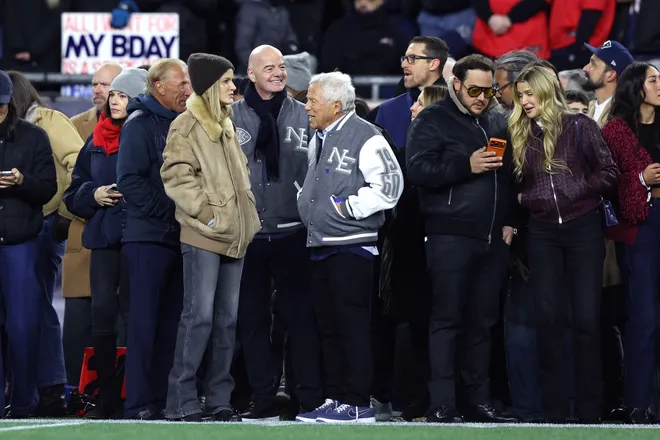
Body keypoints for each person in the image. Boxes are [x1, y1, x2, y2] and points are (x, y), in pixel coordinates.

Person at [406, 54, 517, 424]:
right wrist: (464, 166)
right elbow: (418, 170)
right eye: (474, 89)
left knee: (482, 323)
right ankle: (442, 403)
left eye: (489, 90)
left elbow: (508, 178)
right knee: (447, 321)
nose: (483, 97)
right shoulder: (433, 119)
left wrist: (510, 221)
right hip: (449, 235)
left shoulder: (498, 119)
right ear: (456, 84)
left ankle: (478, 401)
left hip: (491, 239)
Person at [509, 65, 618, 423]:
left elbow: (609, 173)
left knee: (586, 320)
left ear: (546, 91)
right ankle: (555, 411)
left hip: (582, 228)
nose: (524, 101)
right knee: (549, 321)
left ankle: (589, 412)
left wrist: (577, 190)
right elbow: (517, 187)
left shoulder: (579, 126)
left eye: (530, 93)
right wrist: (527, 201)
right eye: (520, 94)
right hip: (542, 232)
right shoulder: (519, 132)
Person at [295, 71, 403, 424]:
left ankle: (358, 402)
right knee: (329, 326)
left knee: (351, 326)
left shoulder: (368, 136)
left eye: (312, 100)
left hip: (352, 245)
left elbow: (391, 185)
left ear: (336, 104)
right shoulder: (319, 136)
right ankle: (336, 397)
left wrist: (347, 208)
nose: (306, 106)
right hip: (321, 243)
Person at [162, 53, 260, 422]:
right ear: (208, 87)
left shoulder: (227, 124)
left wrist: (241, 218)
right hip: (204, 235)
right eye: (226, 81)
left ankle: (218, 399)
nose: (234, 87)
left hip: (235, 236)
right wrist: (209, 215)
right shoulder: (186, 126)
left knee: (226, 321)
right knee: (198, 317)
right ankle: (182, 401)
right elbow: (175, 176)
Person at [231, 45, 322, 421]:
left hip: (294, 232)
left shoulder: (306, 117)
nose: (278, 73)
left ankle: (307, 399)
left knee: (301, 320)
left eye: (282, 67)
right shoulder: (228, 118)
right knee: (251, 322)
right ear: (250, 74)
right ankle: (261, 398)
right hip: (249, 233)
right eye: (269, 68)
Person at [64, 67, 147, 419]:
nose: (114, 100)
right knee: (101, 318)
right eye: (112, 94)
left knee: (135, 318)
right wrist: (93, 194)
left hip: (140, 238)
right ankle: (106, 397)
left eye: (122, 94)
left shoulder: (150, 132)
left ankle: (136, 395)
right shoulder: (95, 140)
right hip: (103, 238)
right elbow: (72, 193)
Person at [116, 59, 191, 420]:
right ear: (158, 86)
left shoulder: (183, 123)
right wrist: (172, 210)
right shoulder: (139, 124)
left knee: (171, 324)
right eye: (181, 83)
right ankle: (138, 403)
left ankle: (161, 400)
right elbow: (129, 180)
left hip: (179, 238)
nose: (188, 89)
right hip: (147, 238)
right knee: (144, 324)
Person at [7, 71, 84, 416]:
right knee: (24, 311)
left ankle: (50, 387)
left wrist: (65, 212)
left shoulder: (46, 123)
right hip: (26, 223)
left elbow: (78, 163)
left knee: (36, 309)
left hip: (43, 223)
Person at [601, 62, 660, 424]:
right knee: (644, 317)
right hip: (643, 227)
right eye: (654, 80)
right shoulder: (618, 130)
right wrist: (640, 177)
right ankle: (638, 402)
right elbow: (609, 183)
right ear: (637, 87)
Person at [0, 70, 57, 417]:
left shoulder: (34, 137)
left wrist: (22, 181)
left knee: (23, 326)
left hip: (21, 243)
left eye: (2, 106)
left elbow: (48, 188)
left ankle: (23, 402)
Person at [64, 62, 122, 386]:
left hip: (121, 238)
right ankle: (75, 390)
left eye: (107, 85)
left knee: (120, 318)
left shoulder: (138, 126)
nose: (99, 91)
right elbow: (67, 184)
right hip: (85, 231)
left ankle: (119, 389)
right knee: (78, 323)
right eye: (95, 84)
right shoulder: (76, 125)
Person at [369, 36, 448, 148]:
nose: (404, 65)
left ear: (433, 64)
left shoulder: (456, 108)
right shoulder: (387, 110)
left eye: (412, 58)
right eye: (405, 58)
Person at [583, 40, 634, 128]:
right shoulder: (588, 107)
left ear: (611, 75)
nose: (585, 68)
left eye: (593, 64)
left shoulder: (623, 117)